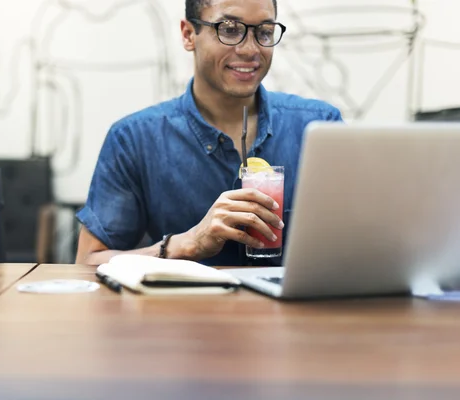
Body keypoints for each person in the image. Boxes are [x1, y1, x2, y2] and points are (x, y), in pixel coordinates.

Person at [76, 0, 343, 266]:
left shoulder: (319, 126)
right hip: (185, 307)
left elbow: (359, 242)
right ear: (188, 35)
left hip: (295, 308)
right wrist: (187, 243)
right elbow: (88, 262)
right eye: (229, 29)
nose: (250, 49)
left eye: (264, 32)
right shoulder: (134, 138)